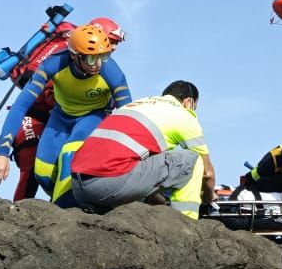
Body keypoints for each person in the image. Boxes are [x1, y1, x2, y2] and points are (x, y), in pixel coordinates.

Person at [0, 24, 132, 207]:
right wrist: (1, 153)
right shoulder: (54, 64)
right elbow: (20, 107)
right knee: (43, 174)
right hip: (60, 118)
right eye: (92, 59)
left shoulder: (112, 72)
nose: (99, 64)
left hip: (93, 116)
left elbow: (128, 116)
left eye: (104, 56)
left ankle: (67, 214)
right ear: (74, 56)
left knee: (69, 157)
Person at [70, 80, 215, 219]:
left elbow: (143, 172)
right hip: (108, 184)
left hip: (78, 186)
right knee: (192, 160)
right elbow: (207, 173)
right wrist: (209, 198)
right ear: (189, 102)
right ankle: (186, 224)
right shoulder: (183, 115)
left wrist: (161, 203)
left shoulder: (136, 105)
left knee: (144, 164)